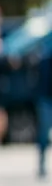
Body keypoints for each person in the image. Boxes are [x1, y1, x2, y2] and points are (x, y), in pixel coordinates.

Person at [38, 48, 52, 178]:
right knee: (44, 134)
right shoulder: (45, 56)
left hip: (45, 98)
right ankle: (42, 162)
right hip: (46, 99)